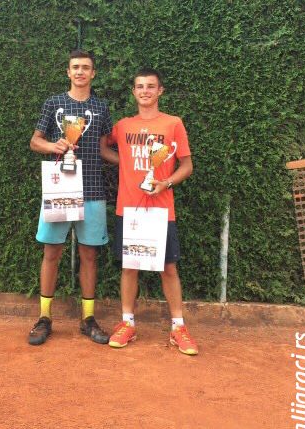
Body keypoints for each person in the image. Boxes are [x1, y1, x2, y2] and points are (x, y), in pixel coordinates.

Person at [101, 68, 198, 355]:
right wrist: (125, 164)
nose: (145, 91)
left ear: (160, 91)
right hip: (129, 208)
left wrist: (165, 183)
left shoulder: (173, 123)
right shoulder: (123, 126)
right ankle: (127, 323)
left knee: (168, 267)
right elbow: (102, 147)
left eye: (150, 86)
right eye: (140, 86)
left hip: (161, 208)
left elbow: (187, 165)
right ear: (134, 92)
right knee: (130, 266)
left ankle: (178, 327)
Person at [28, 49, 112, 346]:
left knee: (90, 255)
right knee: (52, 253)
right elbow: (34, 141)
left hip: (92, 191)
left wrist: (133, 164)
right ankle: (44, 317)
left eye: (86, 67)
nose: (80, 72)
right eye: (75, 67)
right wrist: (54, 147)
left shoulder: (101, 108)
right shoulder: (54, 103)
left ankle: (87, 319)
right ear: (68, 72)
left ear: (93, 73)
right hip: (60, 188)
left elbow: (104, 150)